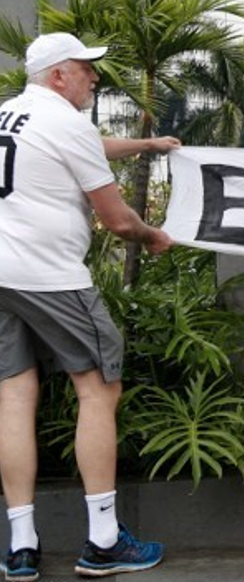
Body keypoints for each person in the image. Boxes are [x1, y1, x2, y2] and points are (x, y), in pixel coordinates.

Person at [0, 33, 179, 580]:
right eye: (85, 68)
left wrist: (147, 147)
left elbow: (82, 147)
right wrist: (152, 236)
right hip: (49, 275)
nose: (94, 77)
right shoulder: (66, 122)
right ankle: (103, 541)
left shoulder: (10, 114)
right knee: (99, 388)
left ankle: (21, 546)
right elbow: (119, 221)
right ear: (58, 76)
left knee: (13, 394)